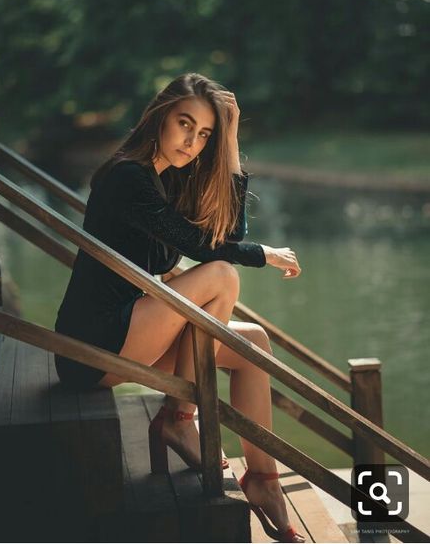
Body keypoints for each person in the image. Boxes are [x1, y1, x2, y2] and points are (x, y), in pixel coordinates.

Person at [54, 72, 304, 542]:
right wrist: (265, 255)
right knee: (223, 275)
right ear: (160, 116)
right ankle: (179, 419)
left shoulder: (168, 179)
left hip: (130, 333)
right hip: (90, 345)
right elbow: (204, 249)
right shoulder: (128, 176)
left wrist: (228, 149)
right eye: (184, 124)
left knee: (255, 347)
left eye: (205, 134)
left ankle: (263, 478)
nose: (192, 141)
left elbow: (224, 235)